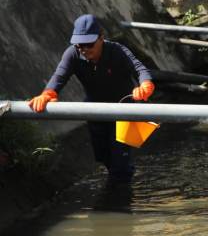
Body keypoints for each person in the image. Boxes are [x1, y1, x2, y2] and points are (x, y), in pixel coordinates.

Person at [28, 14, 155, 183]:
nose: (84, 49)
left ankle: (121, 199)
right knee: (104, 157)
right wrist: (48, 93)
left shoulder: (116, 50)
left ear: (101, 38)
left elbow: (140, 70)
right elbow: (59, 76)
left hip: (125, 109)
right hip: (96, 110)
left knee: (120, 160)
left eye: (89, 44)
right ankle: (118, 185)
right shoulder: (72, 54)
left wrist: (145, 85)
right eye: (80, 45)